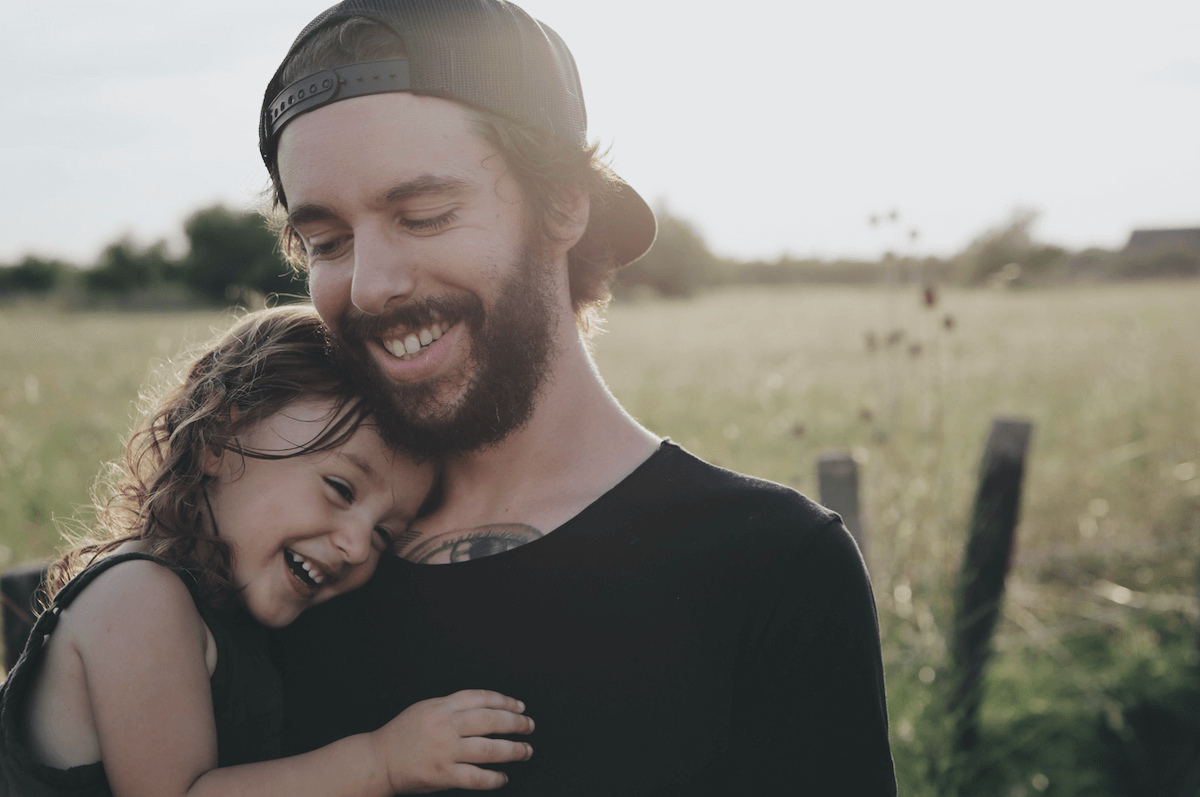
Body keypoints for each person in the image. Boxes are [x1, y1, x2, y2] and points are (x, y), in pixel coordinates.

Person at [263, 2, 897, 793]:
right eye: (327, 242)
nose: (370, 284)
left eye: (424, 215)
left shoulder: (772, 568)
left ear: (564, 204)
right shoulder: (287, 560)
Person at [0, 306, 536, 796]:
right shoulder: (139, 597)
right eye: (341, 489)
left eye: (382, 535)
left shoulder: (224, 616)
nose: (355, 546)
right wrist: (384, 761)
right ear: (217, 437)